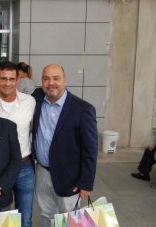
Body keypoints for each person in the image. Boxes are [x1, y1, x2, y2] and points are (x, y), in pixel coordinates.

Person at [32, 64, 98, 227]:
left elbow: (90, 149)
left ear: (65, 81)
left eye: (56, 78)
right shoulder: (37, 98)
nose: (51, 83)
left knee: (69, 220)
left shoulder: (83, 109)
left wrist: (86, 182)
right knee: (46, 215)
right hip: (42, 173)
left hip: (69, 178)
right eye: (46, 79)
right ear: (41, 82)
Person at [0, 61, 36, 227]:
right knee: (1, 219)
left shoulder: (29, 102)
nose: (7, 83)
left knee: (25, 220)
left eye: (11, 79)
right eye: (3, 78)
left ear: (18, 79)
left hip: (23, 167)